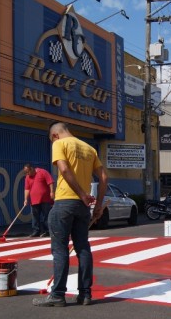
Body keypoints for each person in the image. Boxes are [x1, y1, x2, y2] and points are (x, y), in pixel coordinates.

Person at [33, 122, 108, 307]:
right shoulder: (89, 148)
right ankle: (85, 294)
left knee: (60, 249)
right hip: (82, 208)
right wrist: (98, 205)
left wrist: (82, 193)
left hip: (65, 202)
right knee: (83, 248)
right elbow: (104, 177)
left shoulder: (59, 144)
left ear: (55, 135)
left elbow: (64, 169)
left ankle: (58, 294)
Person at [22, 163, 54, 237]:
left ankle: (47, 231)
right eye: (26, 172)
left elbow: (50, 182)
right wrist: (25, 199)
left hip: (45, 199)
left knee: (47, 215)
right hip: (34, 200)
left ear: (32, 169)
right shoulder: (27, 177)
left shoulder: (42, 172)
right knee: (35, 216)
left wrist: (52, 192)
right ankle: (36, 231)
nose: (27, 174)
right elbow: (27, 189)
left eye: (28, 172)